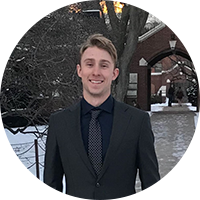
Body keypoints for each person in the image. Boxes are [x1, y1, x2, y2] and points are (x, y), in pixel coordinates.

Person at [44, 33, 160, 199]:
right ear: (80, 70)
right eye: (90, 64)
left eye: (104, 65)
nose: (96, 72)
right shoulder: (60, 123)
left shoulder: (137, 121)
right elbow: (51, 184)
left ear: (114, 73)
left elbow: (151, 183)